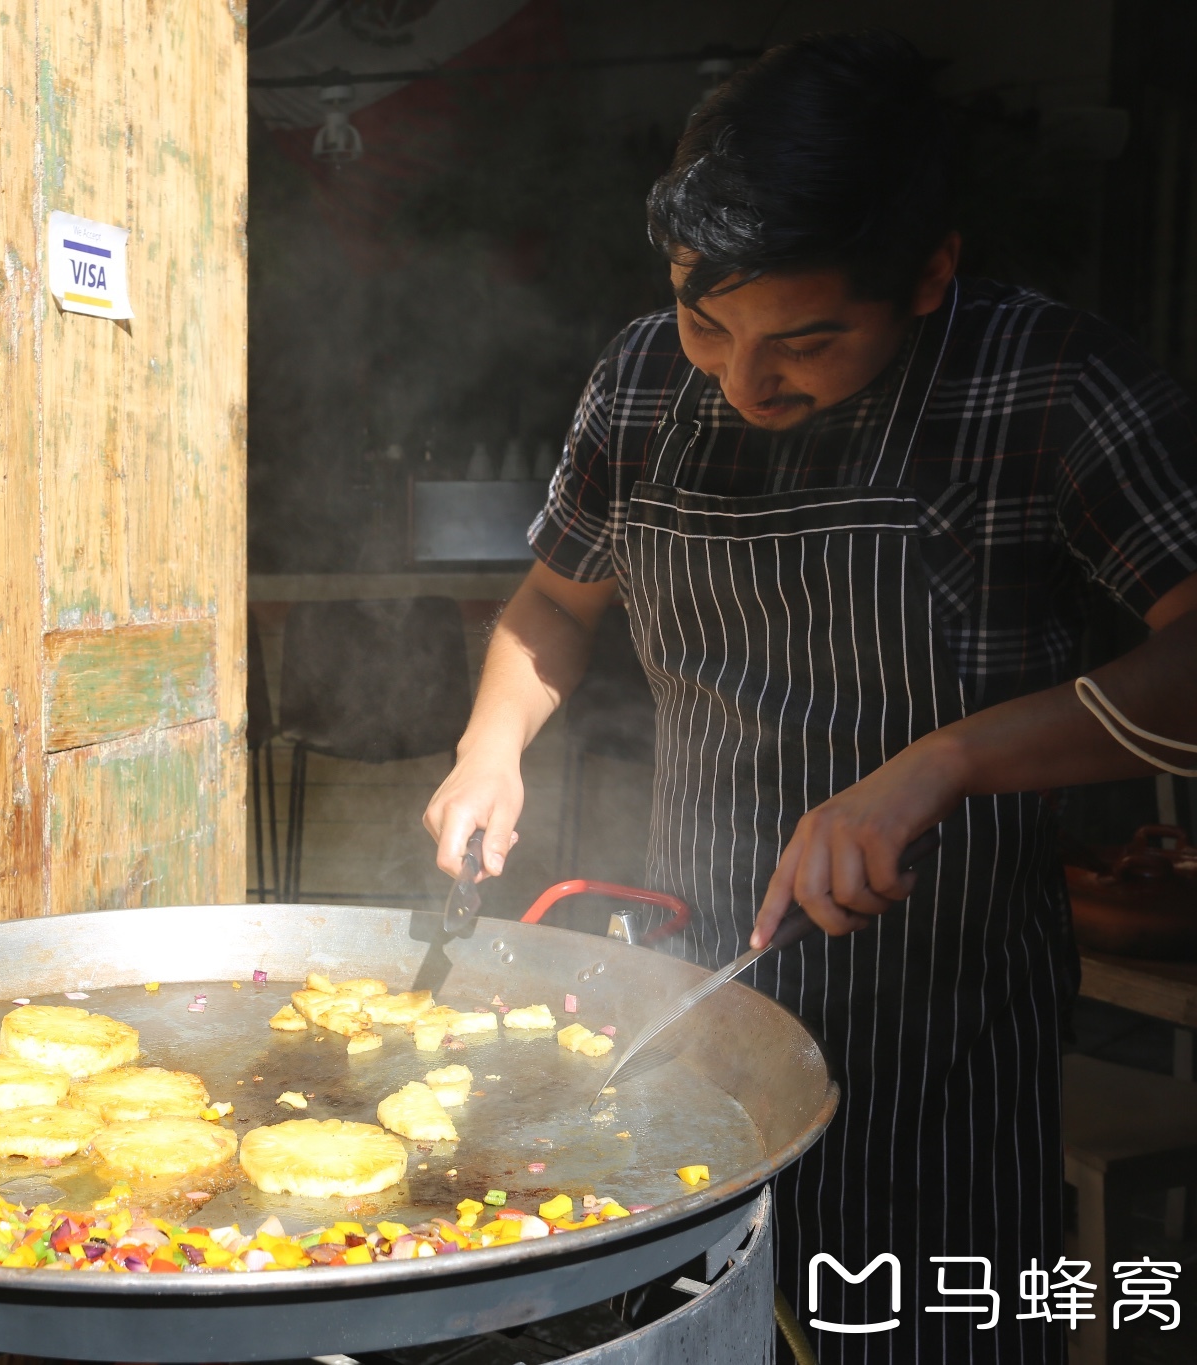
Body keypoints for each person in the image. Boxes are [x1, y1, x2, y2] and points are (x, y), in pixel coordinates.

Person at [423, 31, 1197, 1364]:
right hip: (691, 1008)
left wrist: (942, 761)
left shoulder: (1043, 382)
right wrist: (492, 747)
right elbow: (554, 603)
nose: (741, 380)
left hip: (941, 1049)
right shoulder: (639, 382)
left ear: (932, 274)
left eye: (809, 340)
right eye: (706, 321)